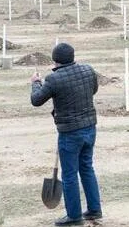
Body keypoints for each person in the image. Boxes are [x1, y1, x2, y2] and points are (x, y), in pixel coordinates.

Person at [30, 43, 102, 226]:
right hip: (90, 127)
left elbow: (36, 100)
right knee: (87, 168)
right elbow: (93, 90)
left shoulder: (54, 79)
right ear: (73, 56)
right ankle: (94, 209)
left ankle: (74, 216)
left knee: (69, 174)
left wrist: (35, 83)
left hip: (70, 132)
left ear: (55, 61)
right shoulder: (88, 70)